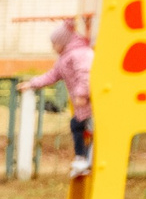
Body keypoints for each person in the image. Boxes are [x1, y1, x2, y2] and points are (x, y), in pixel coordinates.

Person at [22, 19, 94, 175]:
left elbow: (85, 74)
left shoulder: (80, 54)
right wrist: (32, 83)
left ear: (64, 41)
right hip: (81, 105)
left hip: (89, 102)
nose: (53, 47)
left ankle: (84, 159)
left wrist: (82, 94)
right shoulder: (65, 57)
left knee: (84, 128)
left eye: (54, 43)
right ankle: (82, 159)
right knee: (79, 126)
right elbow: (52, 75)